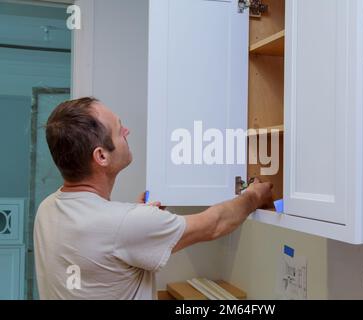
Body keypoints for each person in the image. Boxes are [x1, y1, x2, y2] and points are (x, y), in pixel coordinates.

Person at [33, 97, 273, 300]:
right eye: (119, 129)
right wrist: (253, 195)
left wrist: (139, 219)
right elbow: (214, 224)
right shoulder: (125, 224)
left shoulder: (47, 210)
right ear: (101, 156)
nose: (127, 131)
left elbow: (95, 257)